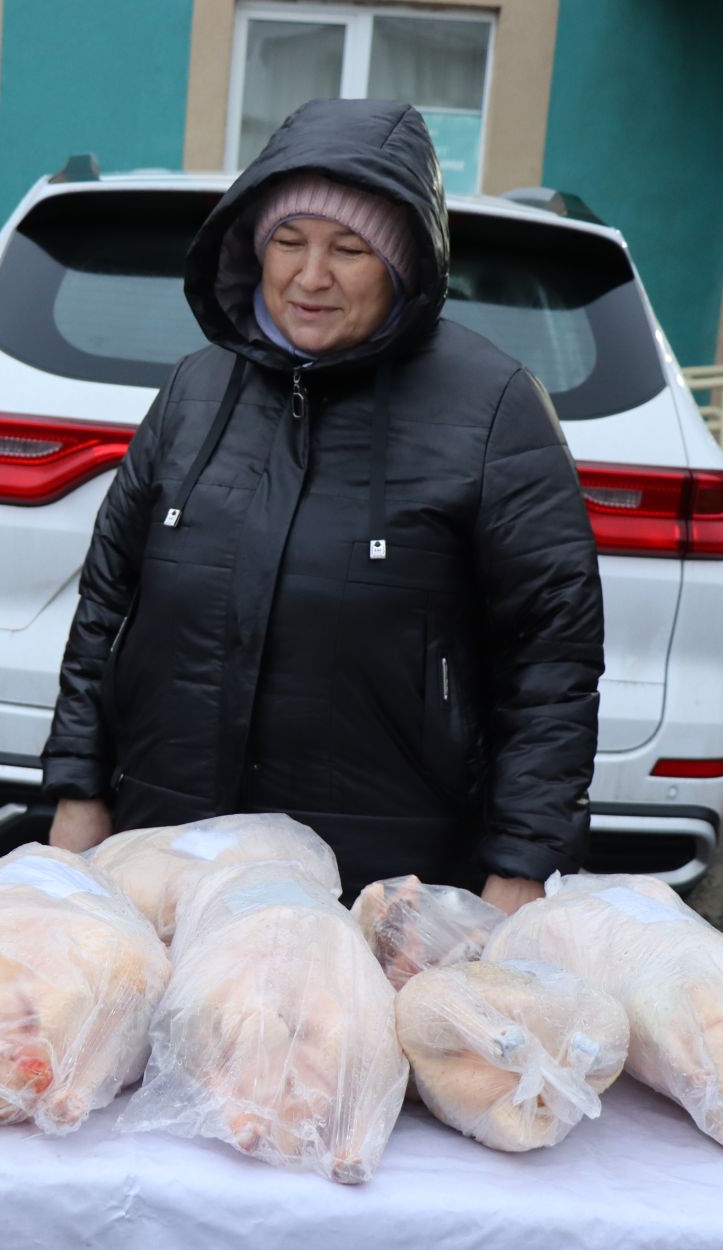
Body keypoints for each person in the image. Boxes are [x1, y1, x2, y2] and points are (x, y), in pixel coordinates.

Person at [42, 98, 604, 913]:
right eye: (288, 241)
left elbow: (550, 659)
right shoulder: (198, 391)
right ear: (253, 245)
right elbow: (105, 607)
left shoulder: (492, 408)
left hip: (386, 885)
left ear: (405, 261)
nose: (311, 277)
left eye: (350, 248)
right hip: (170, 854)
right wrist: (79, 789)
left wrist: (517, 869)